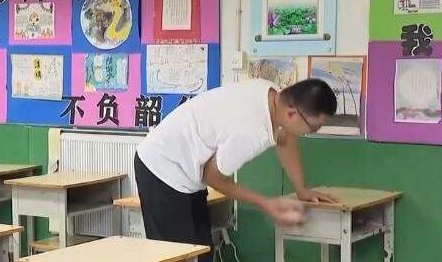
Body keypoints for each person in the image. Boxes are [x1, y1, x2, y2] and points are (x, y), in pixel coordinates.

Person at [134, 78, 339, 262]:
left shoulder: (271, 94)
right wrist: (266, 203)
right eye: (313, 127)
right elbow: (213, 176)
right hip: (161, 167)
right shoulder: (251, 130)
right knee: (177, 255)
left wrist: (302, 190)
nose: (312, 132)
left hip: (185, 169)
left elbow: (285, 139)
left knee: (202, 252)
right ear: (292, 113)